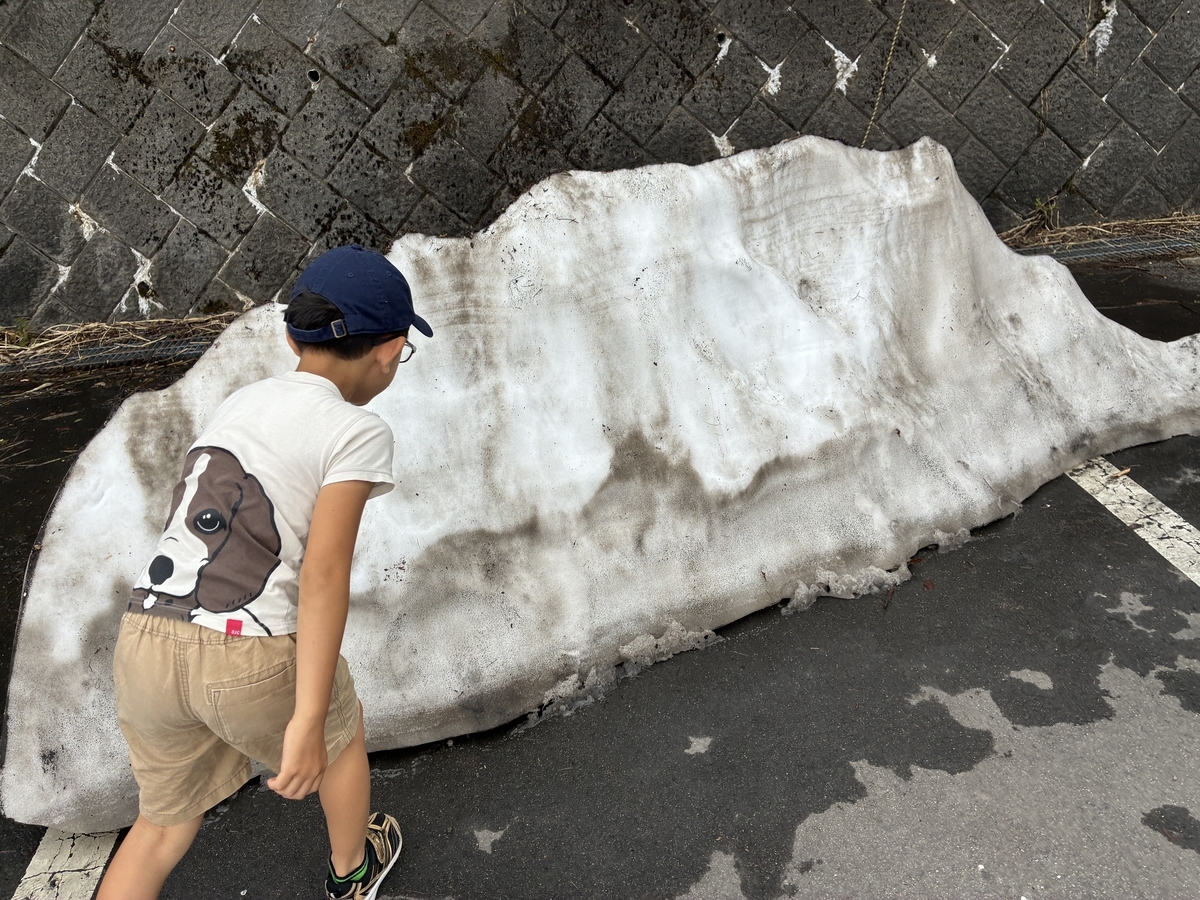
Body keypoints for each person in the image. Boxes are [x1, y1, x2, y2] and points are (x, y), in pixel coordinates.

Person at [96, 244, 432, 900]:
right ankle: (352, 873)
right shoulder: (356, 430)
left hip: (147, 639)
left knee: (161, 829)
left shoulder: (242, 403)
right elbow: (324, 576)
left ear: (290, 335)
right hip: (247, 650)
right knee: (340, 734)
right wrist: (307, 718)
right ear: (390, 351)